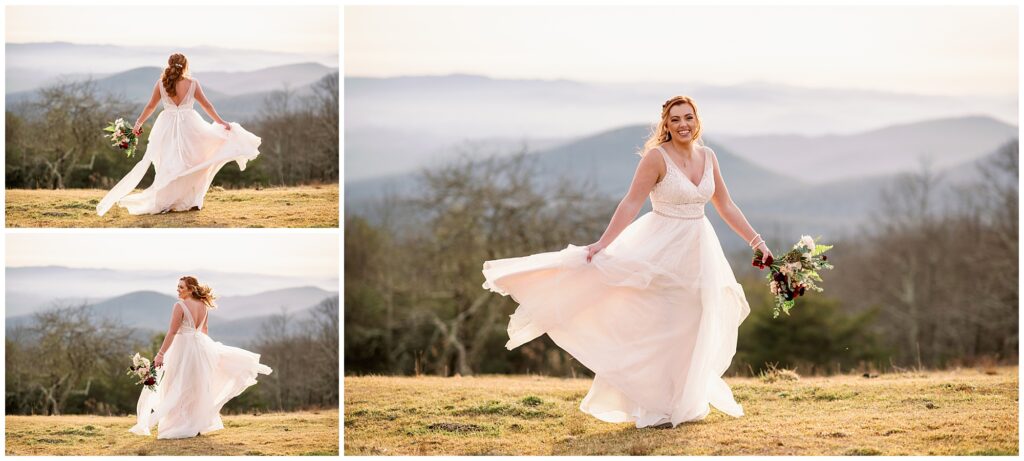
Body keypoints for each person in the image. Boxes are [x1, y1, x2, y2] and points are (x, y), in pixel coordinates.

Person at [482, 95, 774, 429]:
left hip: (700, 250)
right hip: (661, 248)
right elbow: (631, 202)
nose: (683, 124)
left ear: (697, 121)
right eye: (676, 119)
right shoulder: (656, 158)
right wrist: (604, 244)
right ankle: (655, 405)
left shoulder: (709, 157)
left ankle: (684, 401)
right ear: (666, 124)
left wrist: (757, 242)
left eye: (688, 118)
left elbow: (726, 205)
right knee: (663, 325)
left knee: (696, 322)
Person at [97, 53, 261, 216]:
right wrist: (221, 122)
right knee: (194, 161)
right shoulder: (193, 83)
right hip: (190, 125)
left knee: (167, 162)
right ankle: (192, 200)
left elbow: (150, 106)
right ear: (185, 66)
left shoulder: (161, 83)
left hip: (166, 126)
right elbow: (207, 106)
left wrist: (138, 124)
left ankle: (168, 202)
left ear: (169, 64)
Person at [129, 276, 272, 439]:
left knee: (177, 385)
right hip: (199, 348)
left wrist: (160, 354)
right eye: (178, 287)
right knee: (197, 387)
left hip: (182, 349)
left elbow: (172, 332)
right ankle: (194, 424)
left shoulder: (179, 306)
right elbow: (204, 330)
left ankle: (178, 425)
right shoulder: (203, 305)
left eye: (181, 287)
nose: (178, 290)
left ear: (191, 289)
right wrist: (205, 351)